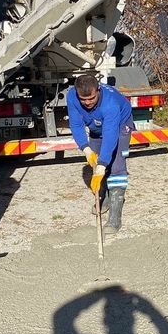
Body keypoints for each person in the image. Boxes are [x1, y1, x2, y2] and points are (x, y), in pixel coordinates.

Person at [66, 74, 134, 233]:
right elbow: (76, 124)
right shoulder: (72, 96)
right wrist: (86, 149)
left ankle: (115, 218)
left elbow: (110, 135)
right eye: (83, 99)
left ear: (98, 90)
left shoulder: (110, 104)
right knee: (97, 164)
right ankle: (105, 199)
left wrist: (103, 164)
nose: (87, 103)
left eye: (91, 98)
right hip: (96, 128)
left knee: (115, 166)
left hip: (119, 125)